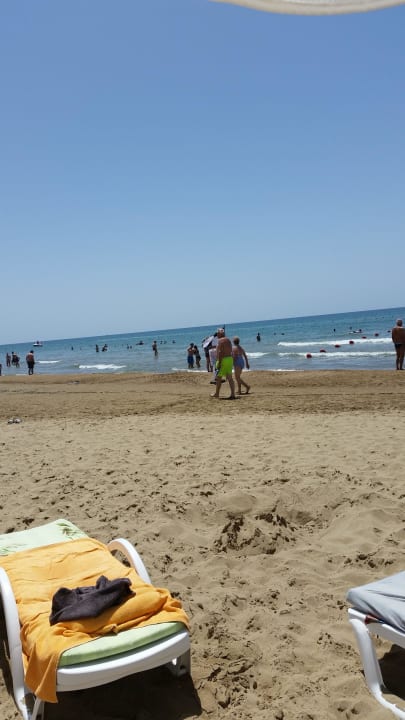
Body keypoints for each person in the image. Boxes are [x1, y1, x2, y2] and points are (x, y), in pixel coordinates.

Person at [211, 328, 235, 399]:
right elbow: (231, 350)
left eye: (217, 333)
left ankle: (217, 394)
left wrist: (219, 362)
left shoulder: (220, 341)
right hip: (229, 359)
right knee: (230, 378)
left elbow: (220, 352)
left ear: (219, 334)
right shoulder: (228, 340)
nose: (217, 335)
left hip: (223, 360)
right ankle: (233, 394)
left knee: (218, 378)